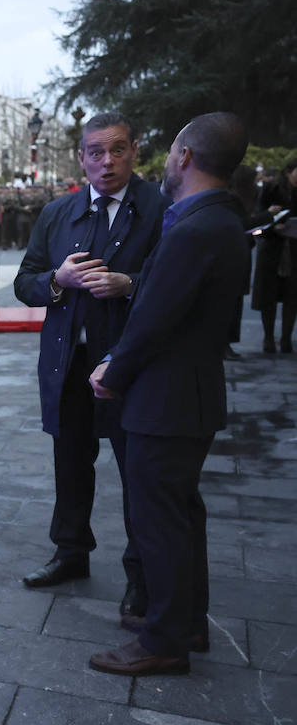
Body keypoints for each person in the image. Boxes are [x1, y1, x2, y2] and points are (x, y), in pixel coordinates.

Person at [87, 112, 251, 675]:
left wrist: (112, 370)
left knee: (160, 521)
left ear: (183, 156)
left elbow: (154, 319)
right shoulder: (215, 220)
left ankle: (163, 639)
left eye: (171, 149)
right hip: (185, 396)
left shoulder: (197, 228)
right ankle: (184, 621)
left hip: (166, 400)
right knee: (180, 516)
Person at [12, 113, 166, 621]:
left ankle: (140, 574)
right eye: (96, 152)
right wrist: (57, 280)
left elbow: (178, 284)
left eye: (117, 149)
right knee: (70, 464)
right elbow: (25, 282)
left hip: (126, 366)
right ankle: (70, 552)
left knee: (135, 472)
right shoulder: (60, 213)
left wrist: (130, 285)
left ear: (134, 151)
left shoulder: (158, 210)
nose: (107, 161)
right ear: (81, 157)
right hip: (68, 362)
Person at [253, 158, 297, 353]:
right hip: (272, 247)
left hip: (294, 248)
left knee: (292, 296)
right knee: (268, 296)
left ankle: (286, 339)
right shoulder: (272, 189)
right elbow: (259, 216)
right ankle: (268, 338)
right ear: (289, 171)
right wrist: (273, 226)